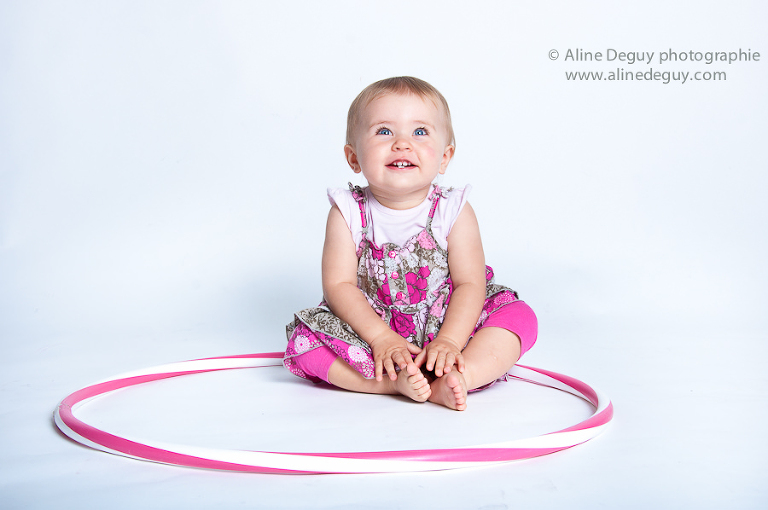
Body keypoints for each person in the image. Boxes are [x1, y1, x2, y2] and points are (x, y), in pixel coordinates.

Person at [283, 77, 537, 410]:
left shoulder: (453, 209)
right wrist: (380, 339)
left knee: (519, 317)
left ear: (444, 157)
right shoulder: (347, 212)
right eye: (384, 131)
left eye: (419, 132)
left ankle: (462, 375)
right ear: (354, 157)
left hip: (450, 322)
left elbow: (470, 283)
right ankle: (391, 384)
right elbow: (338, 285)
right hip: (373, 328)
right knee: (304, 340)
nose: (402, 144)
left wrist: (449, 340)